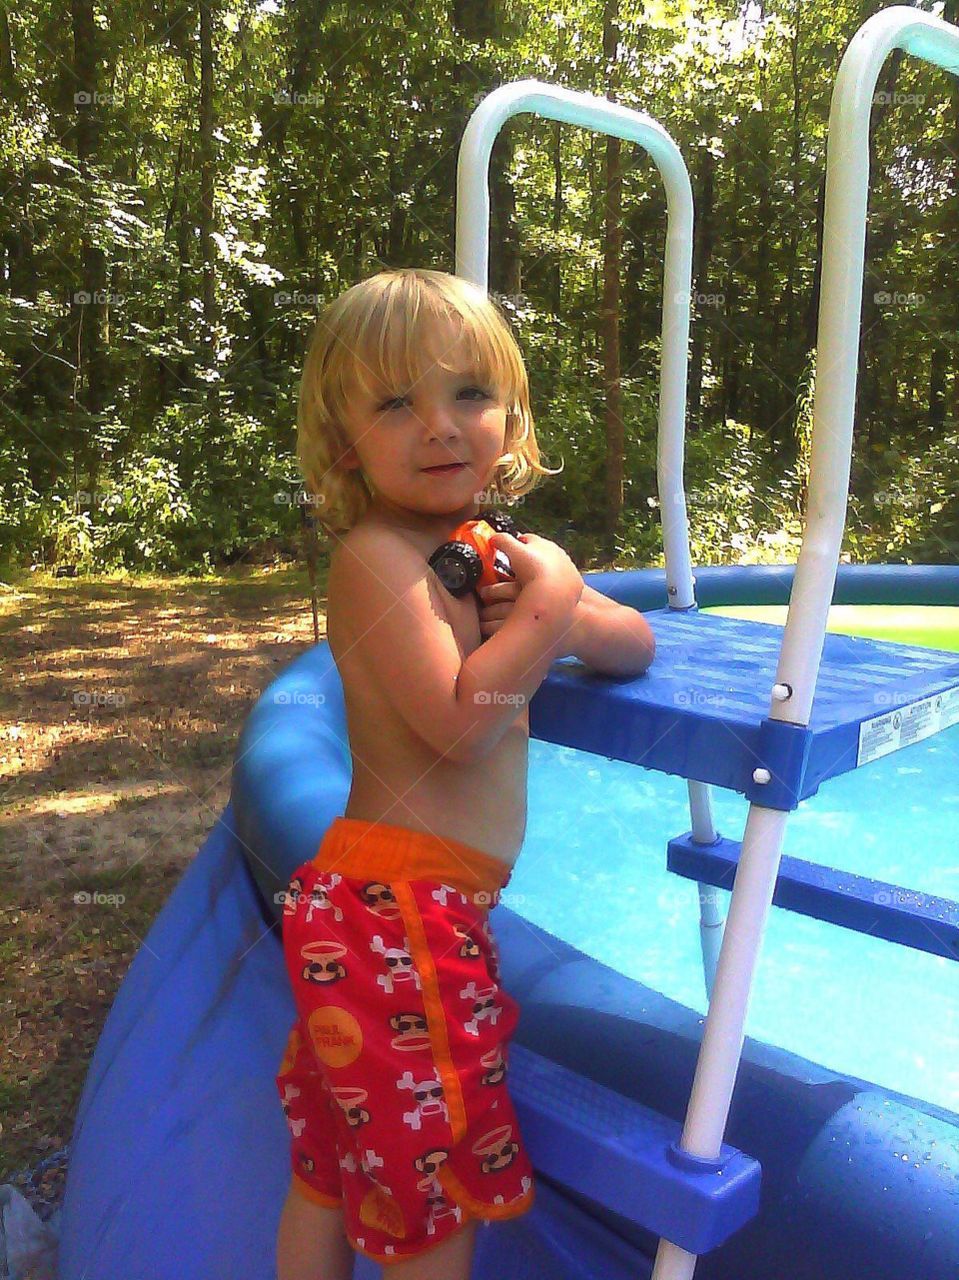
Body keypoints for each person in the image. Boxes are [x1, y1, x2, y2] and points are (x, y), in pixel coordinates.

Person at [275, 267, 655, 1280]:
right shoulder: (376, 556)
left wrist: (553, 595)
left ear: (509, 416)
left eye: (467, 395)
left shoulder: (479, 552)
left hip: (373, 905)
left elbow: (633, 647)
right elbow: (457, 725)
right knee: (430, 1189)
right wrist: (544, 611)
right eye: (397, 402)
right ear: (345, 440)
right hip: (403, 915)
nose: (440, 425)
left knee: (334, 1163)